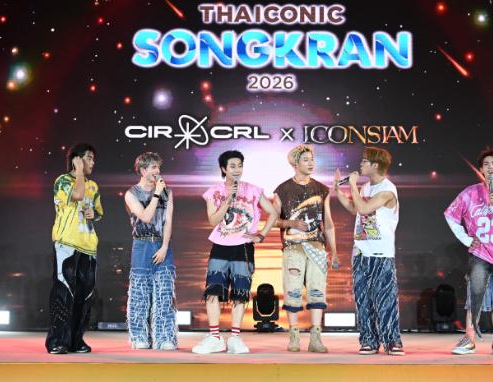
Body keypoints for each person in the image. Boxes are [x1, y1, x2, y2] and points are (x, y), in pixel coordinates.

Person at [192, 150, 278, 354]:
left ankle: (235, 338)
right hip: (220, 246)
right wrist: (227, 199)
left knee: (240, 293)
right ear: (224, 169)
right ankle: (215, 337)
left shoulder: (253, 190)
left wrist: (261, 235)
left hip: (243, 247)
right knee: (213, 291)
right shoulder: (214, 191)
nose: (237, 170)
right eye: (232, 166)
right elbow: (212, 220)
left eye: (240, 165)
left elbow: (273, 212)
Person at [445, 147, 493, 355]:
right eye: (486, 164)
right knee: (475, 296)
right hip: (480, 253)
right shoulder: (469, 193)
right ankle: (469, 338)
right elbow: (450, 215)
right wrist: (466, 239)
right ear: (480, 169)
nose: (490, 167)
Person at [334, 146, 405, 355]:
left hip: (381, 254)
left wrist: (353, 185)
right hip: (361, 252)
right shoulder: (366, 188)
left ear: (375, 165)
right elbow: (354, 209)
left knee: (385, 299)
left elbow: (365, 208)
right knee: (363, 300)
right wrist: (338, 190)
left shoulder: (387, 189)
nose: (361, 164)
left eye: (365, 161)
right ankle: (368, 340)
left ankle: (392, 341)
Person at [273, 145, 339, 353]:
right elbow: (274, 220)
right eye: (306, 160)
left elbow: (328, 223)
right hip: (293, 248)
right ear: (295, 163)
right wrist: (291, 223)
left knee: (317, 291)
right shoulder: (282, 190)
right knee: (292, 291)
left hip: (317, 246)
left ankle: (315, 337)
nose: (311, 163)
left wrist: (334, 251)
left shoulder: (321, 189)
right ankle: (294, 336)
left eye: (312, 159)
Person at [46, 143, 103, 354]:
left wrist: (93, 214)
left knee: (85, 295)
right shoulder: (62, 181)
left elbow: (98, 211)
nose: (92, 163)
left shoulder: (93, 186)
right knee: (64, 293)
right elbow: (77, 195)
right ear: (76, 160)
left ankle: (76, 340)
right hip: (66, 244)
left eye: (93, 159)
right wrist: (78, 171)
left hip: (88, 246)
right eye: (89, 158)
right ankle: (57, 340)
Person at [124, 152, 177, 350]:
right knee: (139, 294)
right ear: (143, 170)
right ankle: (139, 337)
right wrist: (156, 194)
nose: (158, 171)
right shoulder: (131, 194)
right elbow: (146, 217)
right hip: (142, 245)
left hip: (162, 244)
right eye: (154, 167)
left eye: (158, 167)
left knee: (164, 293)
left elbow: (168, 221)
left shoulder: (167, 192)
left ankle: (165, 337)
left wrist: (164, 247)